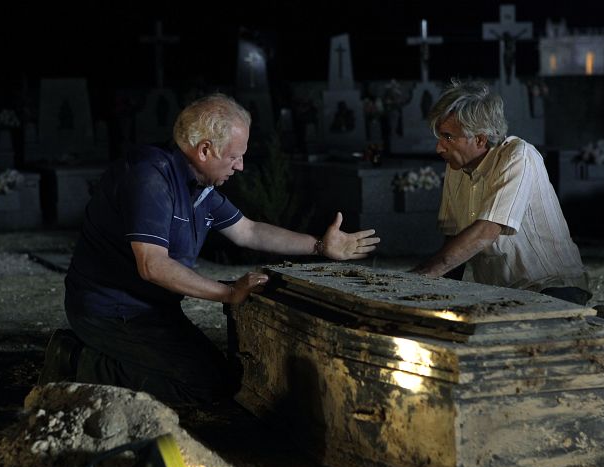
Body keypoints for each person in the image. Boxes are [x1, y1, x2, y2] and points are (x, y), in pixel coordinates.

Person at [39, 93, 380, 404]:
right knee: (203, 386)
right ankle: (75, 360)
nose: (240, 166)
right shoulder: (149, 178)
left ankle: (109, 360)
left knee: (221, 377)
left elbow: (248, 231)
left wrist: (320, 245)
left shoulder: (198, 185)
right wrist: (228, 293)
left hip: (152, 309)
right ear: (204, 151)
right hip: (110, 309)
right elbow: (152, 265)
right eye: (235, 156)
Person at [411, 80, 592, 306]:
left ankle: (597, 319)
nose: (439, 147)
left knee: (520, 324)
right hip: (500, 294)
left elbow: (487, 230)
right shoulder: (456, 167)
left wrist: (421, 276)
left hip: (551, 285)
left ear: (480, 138)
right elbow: (454, 241)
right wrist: (429, 293)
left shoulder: (518, 156)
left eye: (448, 137)